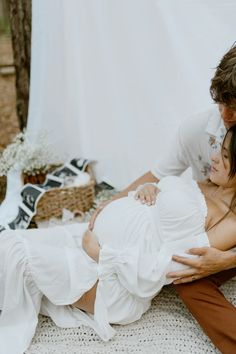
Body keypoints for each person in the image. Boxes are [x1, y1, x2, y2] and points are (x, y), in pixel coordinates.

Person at [1, 126, 236, 354]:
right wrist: (149, 188)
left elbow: (173, 265)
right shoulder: (208, 182)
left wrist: (102, 254)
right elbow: (167, 211)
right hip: (88, 239)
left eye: (225, 156)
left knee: (16, 253)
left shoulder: (231, 223)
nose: (213, 157)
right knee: (7, 240)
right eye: (218, 149)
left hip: (112, 280)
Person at [88, 44, 236, 353]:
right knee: (188, 274)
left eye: (234, 105)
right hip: (209, 227)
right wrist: (110, 203)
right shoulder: (198, 128)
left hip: (228, 234)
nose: (225, 114)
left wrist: (228, 260)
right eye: (221, 101)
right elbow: (157, 173)